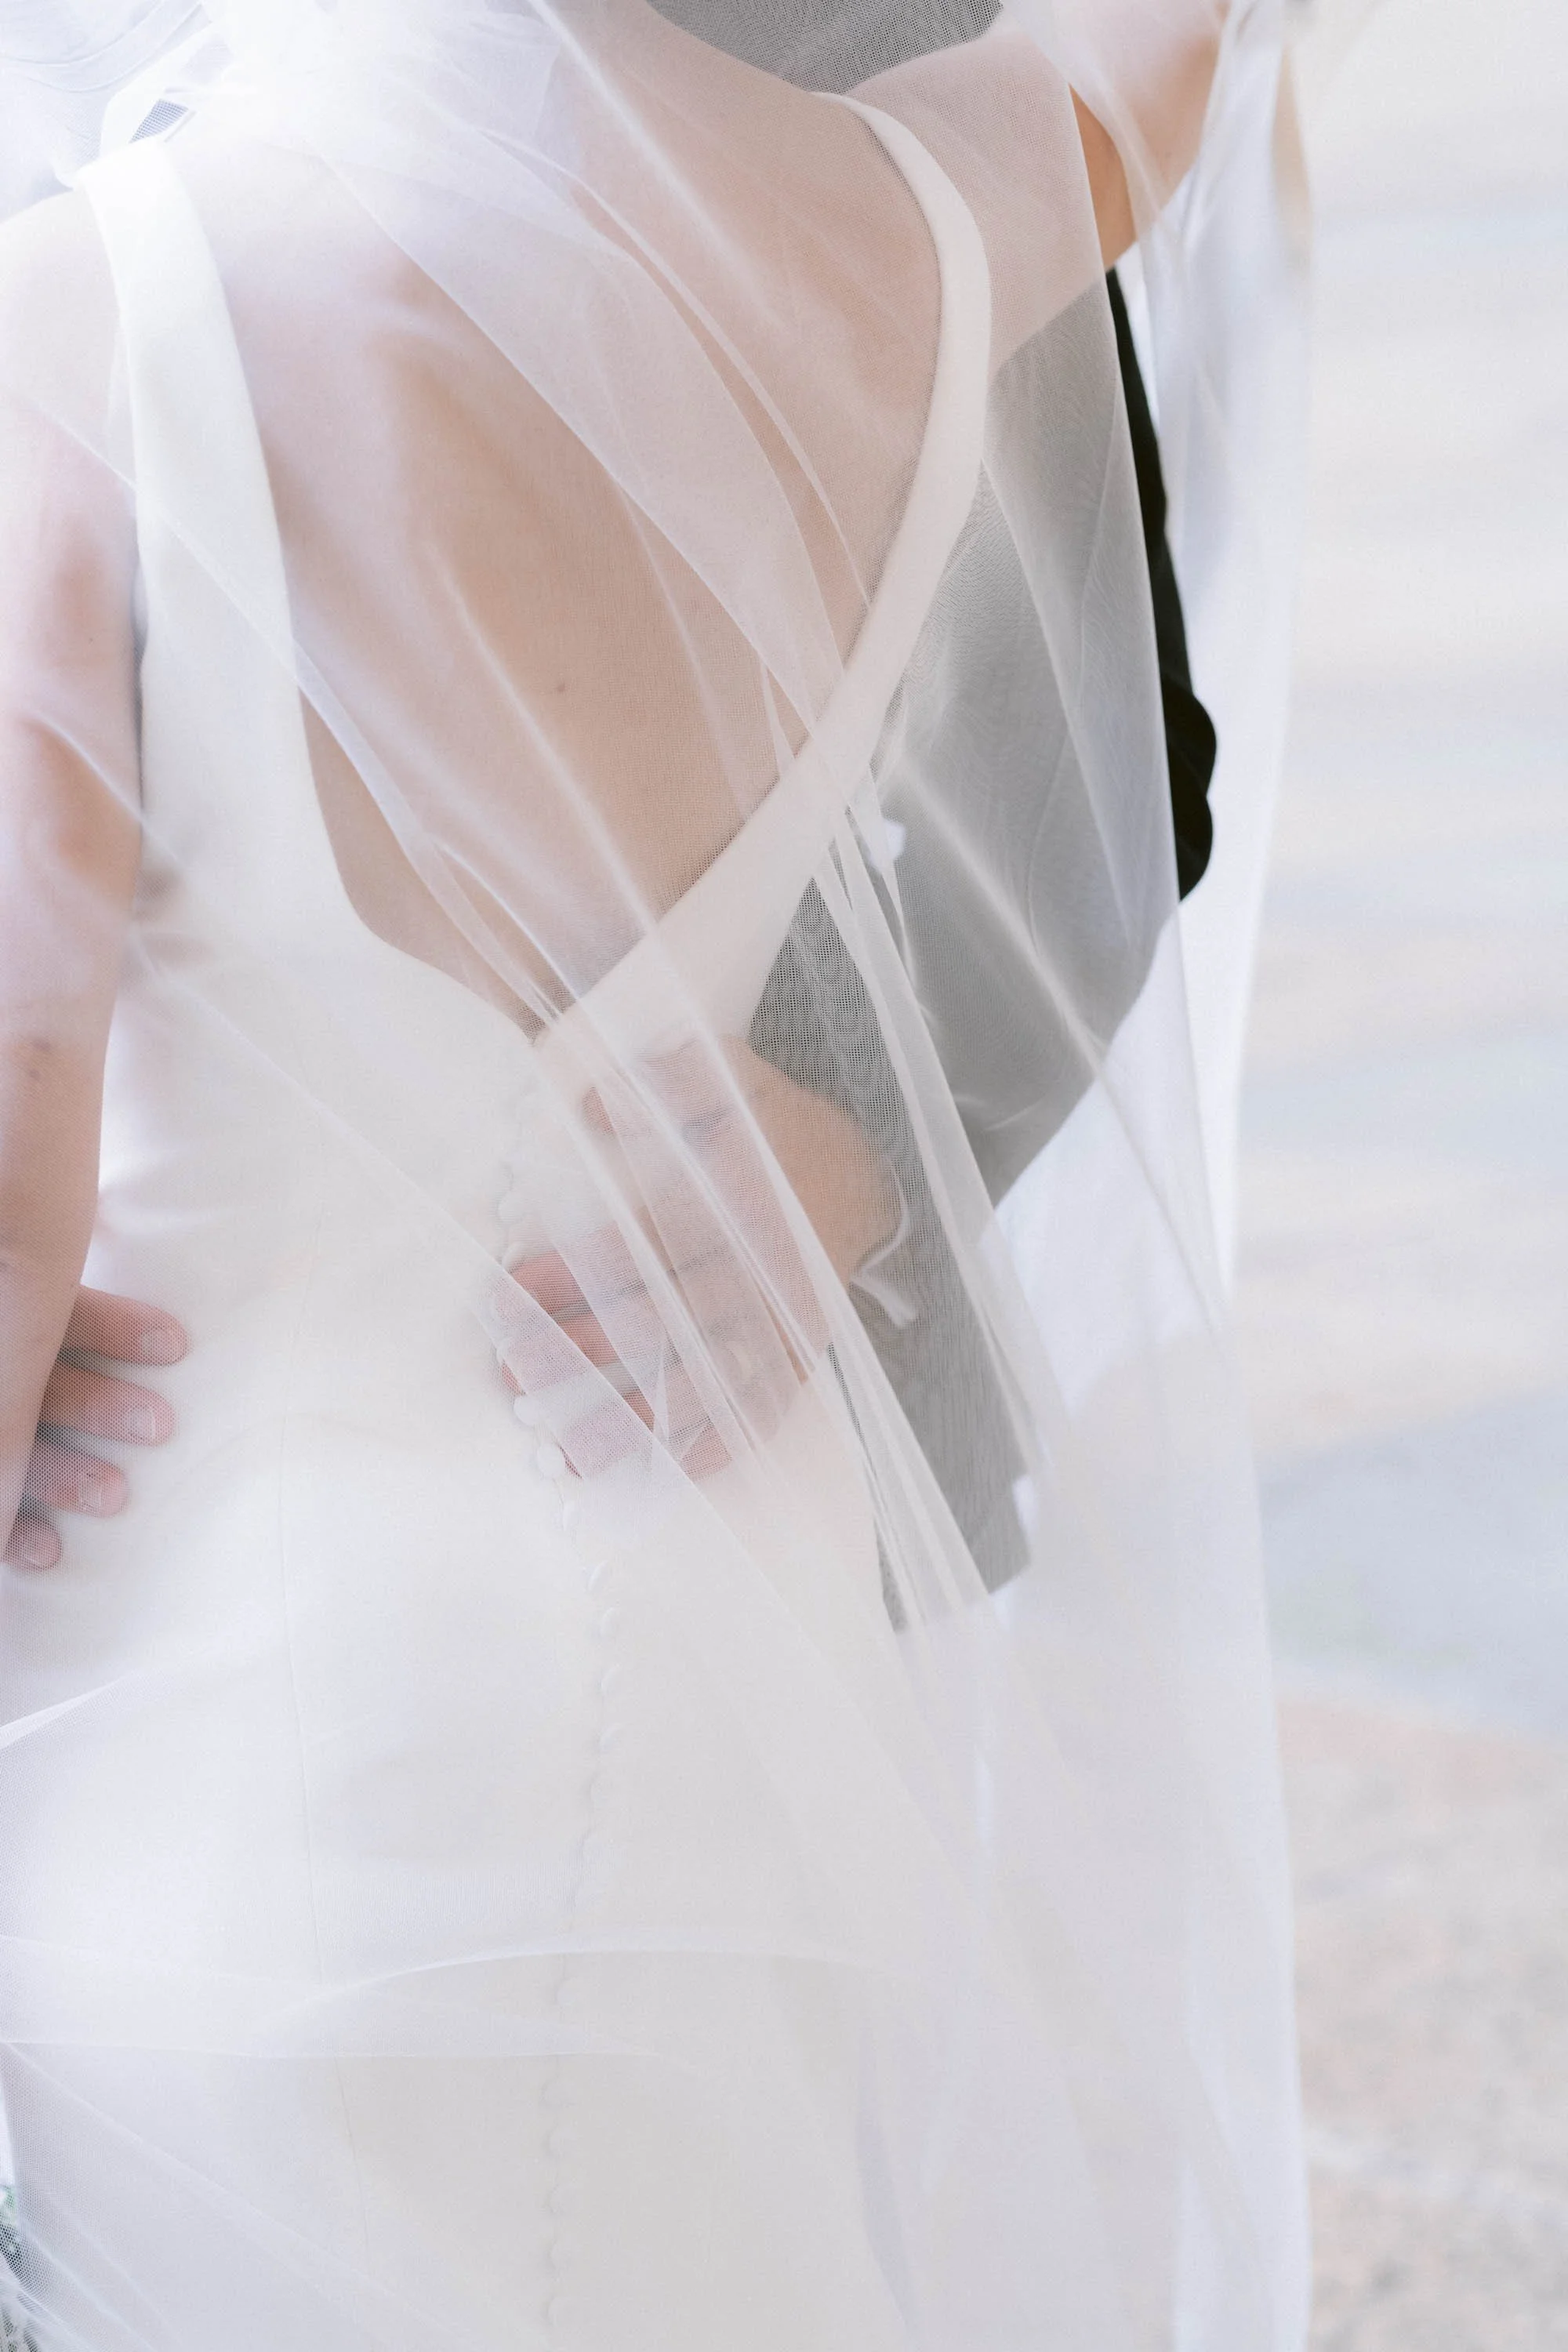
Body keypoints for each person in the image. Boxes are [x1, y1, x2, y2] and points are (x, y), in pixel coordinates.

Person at [0, 3, 1308, 2345]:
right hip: (727, 1669)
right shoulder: (888, 225)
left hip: (232, 1709)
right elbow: (1154, 65)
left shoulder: (76, 312)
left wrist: (858, 1126)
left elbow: (13, 1143)